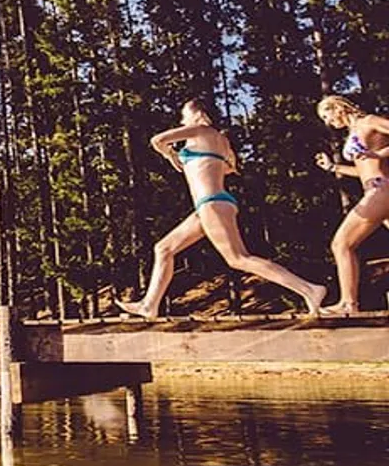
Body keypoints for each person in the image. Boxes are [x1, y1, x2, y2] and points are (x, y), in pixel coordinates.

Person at [118, 98, 325, 318]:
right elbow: (229, 168)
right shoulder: (222, 140)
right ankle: (149, 305)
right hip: (214, 203)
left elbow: (157, 140)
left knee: (238, 258)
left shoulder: (200, 130)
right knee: (164, 249)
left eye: (184, 115)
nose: (182, 120)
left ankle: (309, 289)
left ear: (198, 114)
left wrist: (170, 155)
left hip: (211, 204)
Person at [314, 94, 389, 314]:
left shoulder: (369, 121)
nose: (328, 122)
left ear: (338, 108)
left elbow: (373, 158)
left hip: (380, 189)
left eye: (327, 115)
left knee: (341, 244)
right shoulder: (354, 131)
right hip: (374, 189)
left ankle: (348, 304)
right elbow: (363, 170)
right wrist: (333, 168)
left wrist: (378, 153)